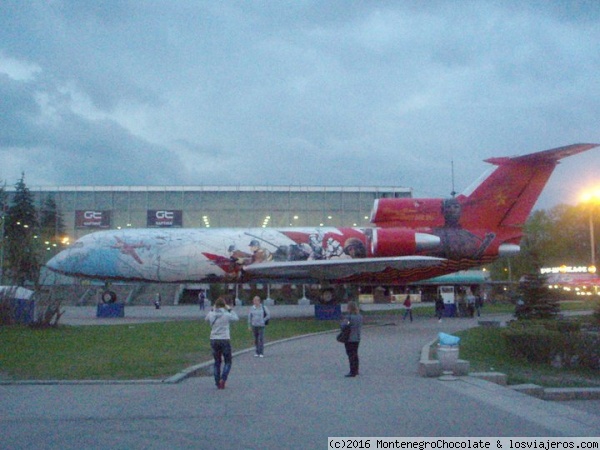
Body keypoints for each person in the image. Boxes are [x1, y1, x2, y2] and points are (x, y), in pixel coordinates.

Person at [205, 297, 239, 389]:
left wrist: (212, 309)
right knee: (228, 361)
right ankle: (223, 379)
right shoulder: (227, 314)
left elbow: (206, 319)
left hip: (214, 339)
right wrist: (229, 309)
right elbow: (236, 318)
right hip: (224, 339)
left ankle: (217, 381)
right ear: (224, 305)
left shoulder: (211, 314)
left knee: (217, 362)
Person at [340, 301, 362, 377]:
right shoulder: (359, 316)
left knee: (350, 355)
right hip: (357, 338)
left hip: (350, 338)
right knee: (355, 354)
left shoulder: (349, 317)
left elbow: (344, 326)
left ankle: (352, 371)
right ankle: (356, 370)